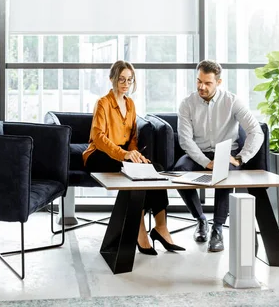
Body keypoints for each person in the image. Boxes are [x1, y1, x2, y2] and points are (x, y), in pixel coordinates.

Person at [83, 60, 184, 255]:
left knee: (156, 167)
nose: (125, 83)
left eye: (129, 80)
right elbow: (99, 137)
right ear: (112, 79)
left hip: (122, 154)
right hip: (99, 154)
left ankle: (161, 227)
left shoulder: (130, 104)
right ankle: (139, 230)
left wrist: (135, 153)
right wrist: (125, 155)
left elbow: (132, 139)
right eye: (121, 79)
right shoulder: (103, 103)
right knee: (133, 172)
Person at [176, 60, 263, 252]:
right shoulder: (187, 104)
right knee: (179, 170)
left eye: (207, 83)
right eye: (199, 81)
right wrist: (206, 163)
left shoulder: (232, 101)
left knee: (224, 171)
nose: (201, 86)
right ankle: (200, 220)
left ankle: (217, 228)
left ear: (219, 82)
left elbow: (256, 132)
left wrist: (240, 158)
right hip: (199, 153)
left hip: (226, 153)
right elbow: (185, 140)